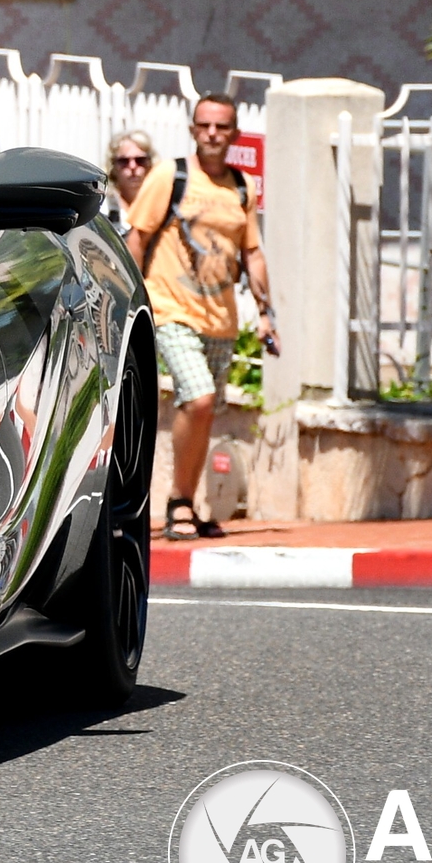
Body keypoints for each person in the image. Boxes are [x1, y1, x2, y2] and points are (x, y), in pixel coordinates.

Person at [124, 94, 274, 541]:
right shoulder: (170, 175)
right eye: (205, 125)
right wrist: (129, 303)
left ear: (233, 133)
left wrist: (267, 313)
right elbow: (138, 238)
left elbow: (252, 253)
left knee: (205, 412)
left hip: (220, 319)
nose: (212, 133)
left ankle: (183, 501)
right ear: (193, 129)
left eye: (222, 127)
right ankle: (178, 501)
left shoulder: (241, 187)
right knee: (200, 397)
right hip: (170, 308)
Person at [102, 129, 155, 234]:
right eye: (123, 161)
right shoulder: (104, 207)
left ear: (150, 163)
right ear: (113, 166)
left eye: (140, 160)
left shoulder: (160, 203)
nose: (132, 166)